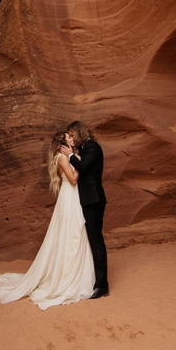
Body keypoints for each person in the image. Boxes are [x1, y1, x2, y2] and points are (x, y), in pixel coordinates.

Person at [0, 131, 95, 310]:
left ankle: (78, 274)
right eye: (69, 137)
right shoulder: (62, 157)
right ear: (63, 143)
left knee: (77, 233)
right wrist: (77, 160)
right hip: (69, 198)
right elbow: (74, 180)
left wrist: (76, 158)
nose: (72, 139)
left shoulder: (69, 156)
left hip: (75, 198)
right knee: (70, 233)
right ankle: (64, 277)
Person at [60, 121, 109, 299]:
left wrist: (71, 155)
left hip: (93, 200)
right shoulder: (85, 148)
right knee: (90, 240)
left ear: (79, 132)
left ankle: (102, 286)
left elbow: (84, 168)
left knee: (96, 240)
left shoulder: (93, 148)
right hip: (87, 200)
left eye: (72, 135)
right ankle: (92, 280)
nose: (71, 138)